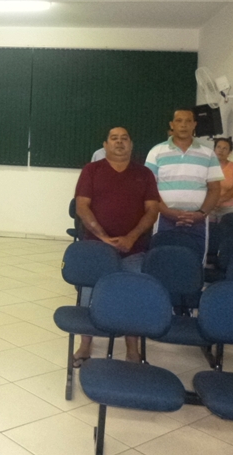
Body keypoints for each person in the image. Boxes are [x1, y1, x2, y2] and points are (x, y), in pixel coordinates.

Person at [73, 127, 160, 363]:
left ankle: (132, 349)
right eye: (114, 139)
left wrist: (131, 237)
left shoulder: (144, 174)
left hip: (133, 249)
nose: (119, 142)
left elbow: (152, 210)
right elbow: (82, 206)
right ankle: (85, 345)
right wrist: (102, 237)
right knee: (88, 295)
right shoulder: (91, 170)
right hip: (96, 248)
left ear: (131, 145)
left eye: (124, 139)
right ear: (105, 145)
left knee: (132, 296)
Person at [145, 108, 223, 259]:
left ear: (194, 124)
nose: (183, 125)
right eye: (179, 121)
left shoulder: (208, 154)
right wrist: (168, 212)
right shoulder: (156, 151)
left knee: (194, 263)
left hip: (198, 221)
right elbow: (149, 189)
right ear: (172, 124)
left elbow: (214, 189)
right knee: (161, 261)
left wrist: (201, 214)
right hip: (164, 219)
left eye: (188, 121)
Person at [211, 136, 233, 221]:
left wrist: (219, 200)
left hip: (229, 208)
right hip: (209, 207)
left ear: (229, 152)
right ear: (214, 149)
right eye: (218, 147)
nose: (221, 150)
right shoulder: (207, 166)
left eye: (225, 148)